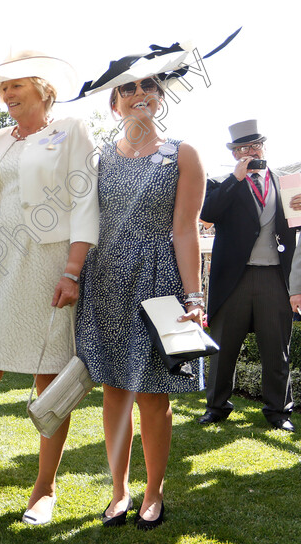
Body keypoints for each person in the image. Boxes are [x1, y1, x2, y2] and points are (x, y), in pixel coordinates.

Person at [0, 51, 98, 523]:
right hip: (0, 267)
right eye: (4, 87)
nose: (7, 94)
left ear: (42, 88)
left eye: (16, 86)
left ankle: (44, 488)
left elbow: (85, 201)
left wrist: (72, 271)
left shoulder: (72, 130)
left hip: (51, 265)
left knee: (48, 376)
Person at [75, 71, 207, 529]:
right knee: (114, 392)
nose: (138, 95)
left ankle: (154, 491)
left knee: (153, 396)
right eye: (127, 89)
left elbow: (185, 229)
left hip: (158, 282)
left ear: (160, 97)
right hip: (105, 281)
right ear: (114, 104)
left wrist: (193, 296)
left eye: (148, 86)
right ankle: (118, 490)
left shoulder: (182, 154)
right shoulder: (97, 159)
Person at [199, 120, 295, 432]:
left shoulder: (285, 182)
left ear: (264, 147)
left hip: (274, 278)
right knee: (223, 346)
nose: (250, 151)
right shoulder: (219, 181)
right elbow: (208, 214)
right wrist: (234, 180)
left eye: (254, 145)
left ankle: (279, 412)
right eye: (243, 148)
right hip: (233, 279)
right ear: (234, 152)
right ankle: (216, 407)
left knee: (276, 349)